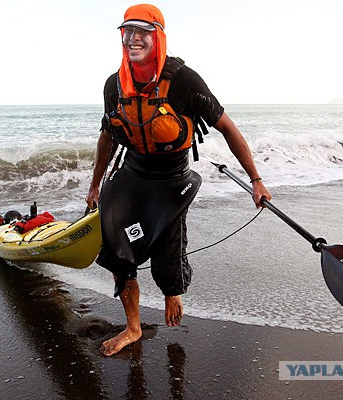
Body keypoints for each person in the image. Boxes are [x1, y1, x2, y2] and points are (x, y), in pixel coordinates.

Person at [85, 4, 271, 357]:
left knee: (168, 253)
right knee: (117, 251)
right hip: (134, 173)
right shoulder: (114, 85)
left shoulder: (184, 81)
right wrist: (95, 186)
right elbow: (107, 139)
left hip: (172, 179)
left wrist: (256, 180)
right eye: (128, 32)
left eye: (143, 32)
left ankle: (172, 290)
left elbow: (229, 129)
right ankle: (133, 327)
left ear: (158, 37)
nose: (134, 39)